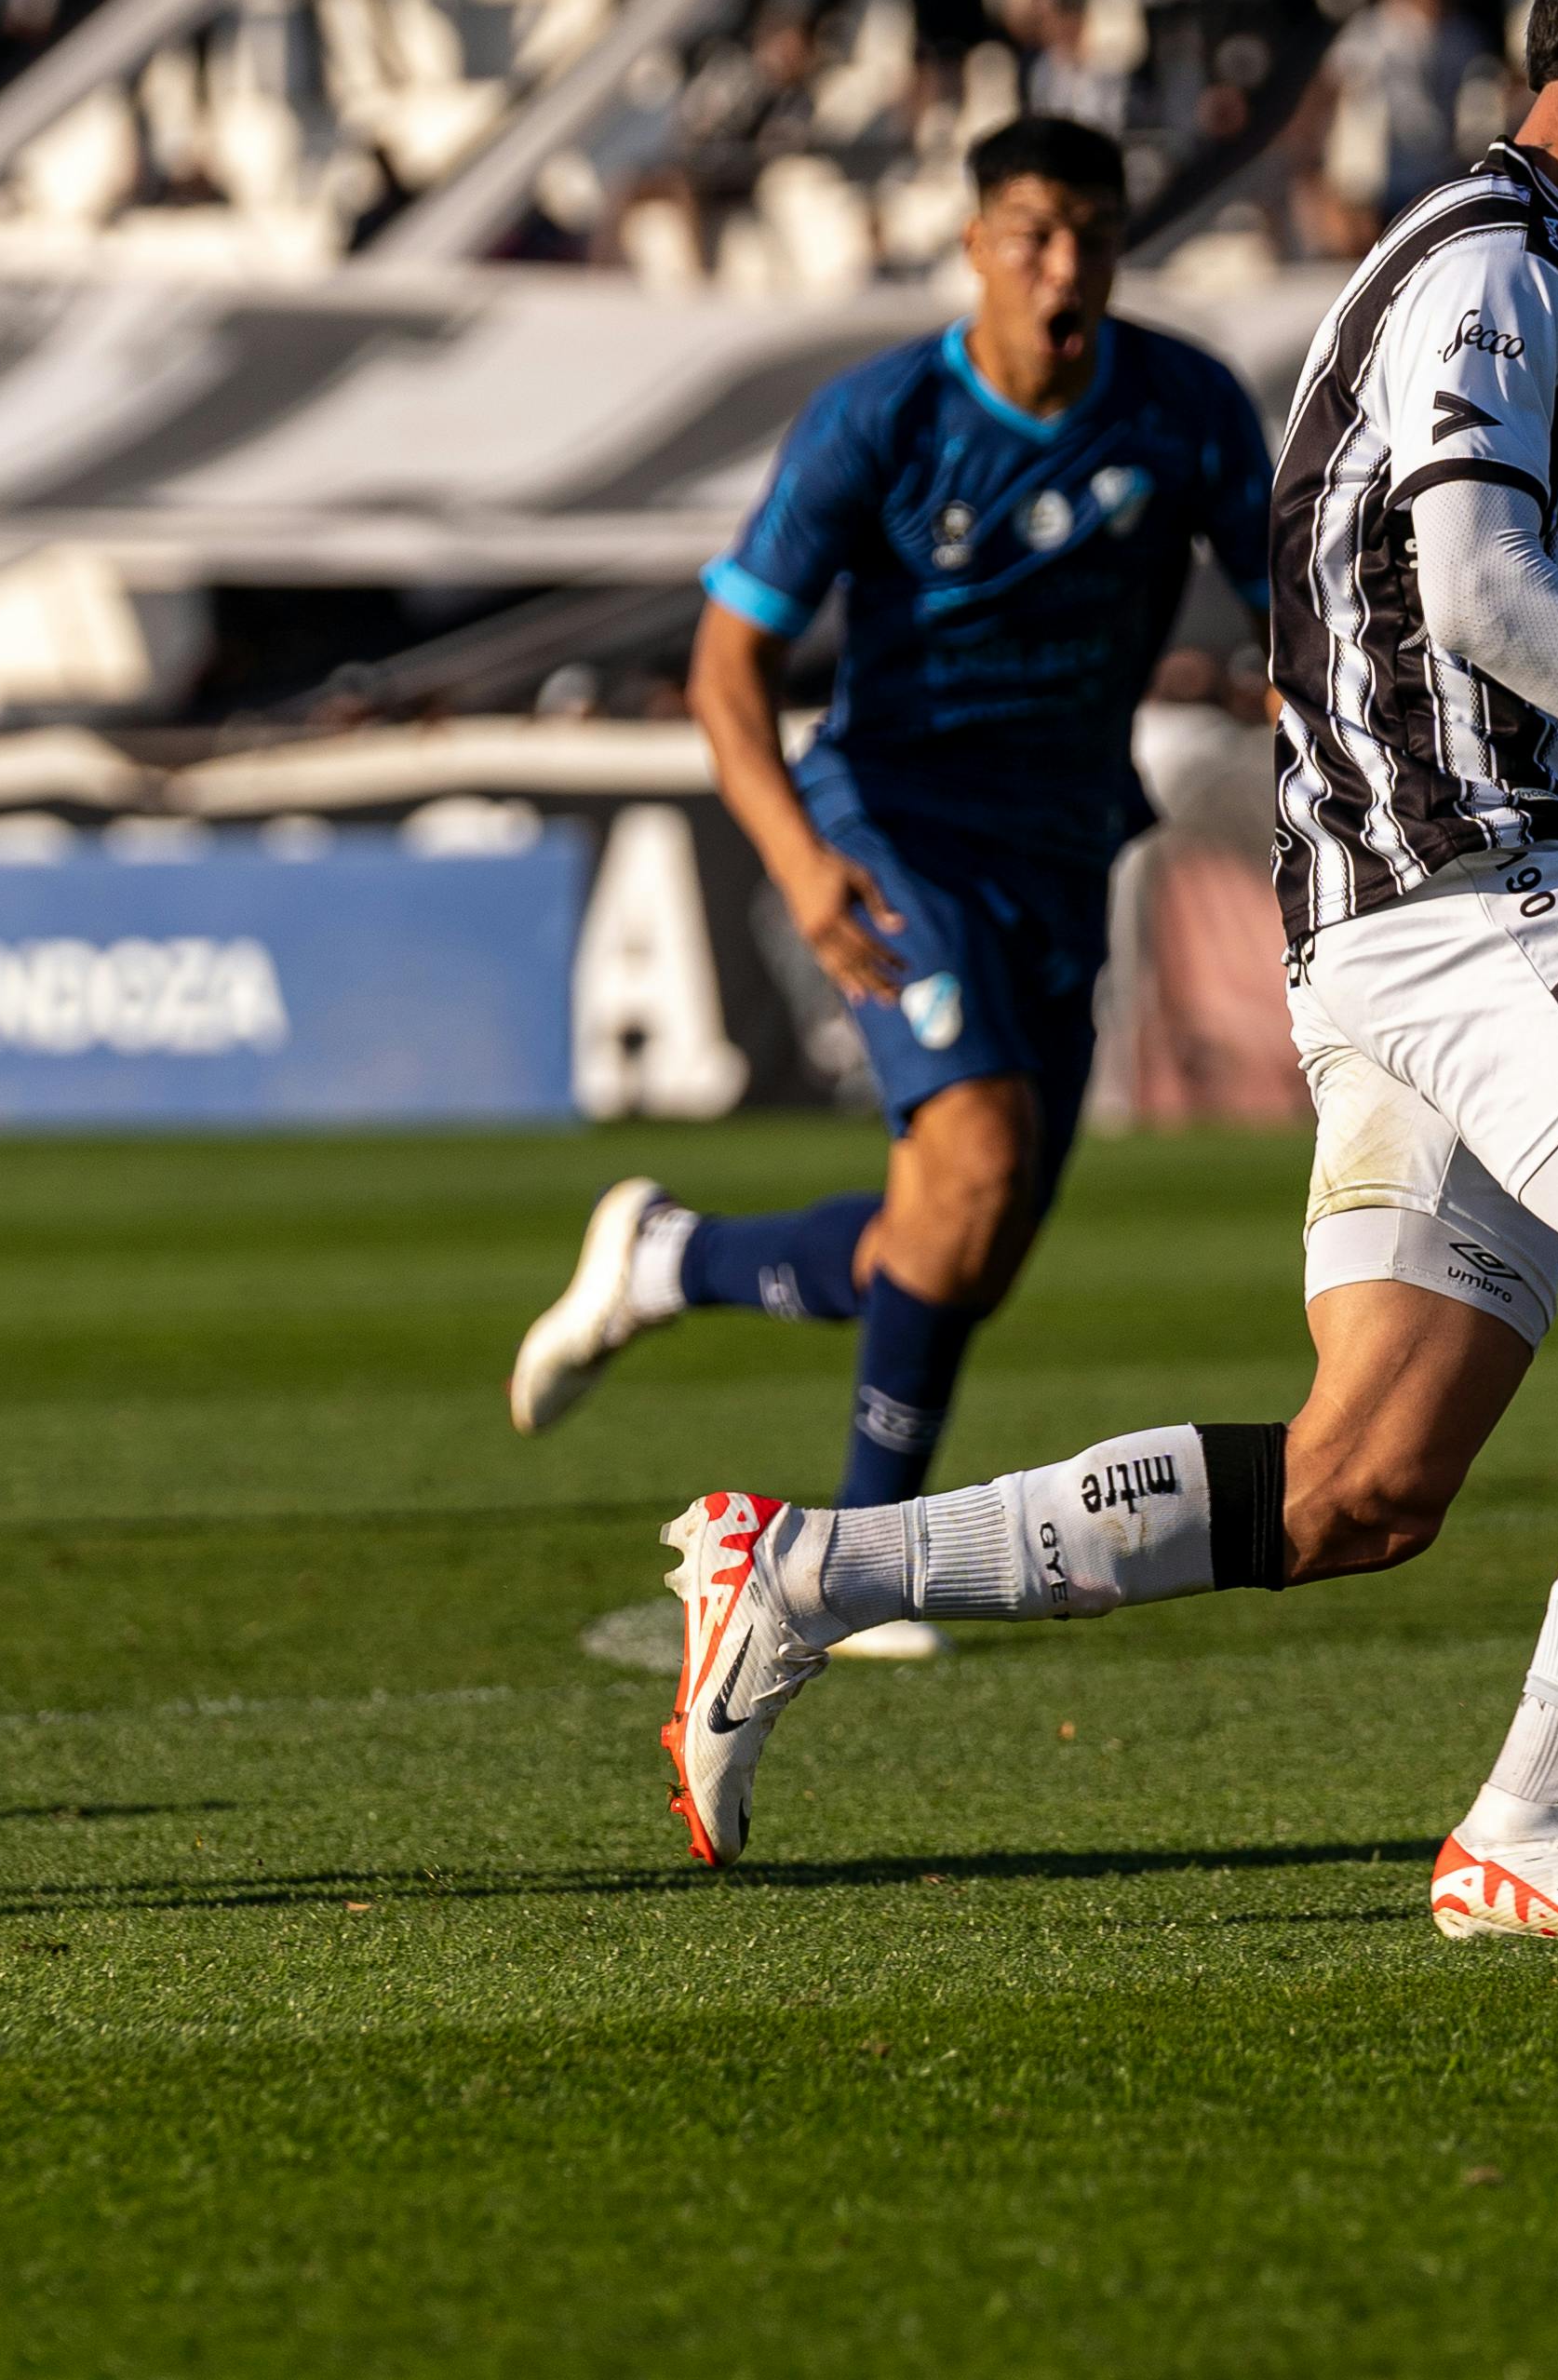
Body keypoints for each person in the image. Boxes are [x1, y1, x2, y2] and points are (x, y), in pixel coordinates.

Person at [642, 0, 1558, 1943]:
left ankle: (811, 1565)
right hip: (1471, 877)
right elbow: (1483, 598)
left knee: (1362, 1487)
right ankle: (1541, 1817)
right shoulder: (1493, 273)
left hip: (1393, 919)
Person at [504, 117, 1272, 1575]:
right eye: (1035, 234)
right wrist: (800, 863)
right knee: (972, 1162)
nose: (1067, 268)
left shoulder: (1185, 405)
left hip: (1063, 844)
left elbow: (1291, 611)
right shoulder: (884, 418)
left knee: (963, 1246)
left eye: (1094, 238)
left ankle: (671, 1260)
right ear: (974, 242)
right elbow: (728, 670)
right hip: (892, 828)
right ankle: (860, 1559)